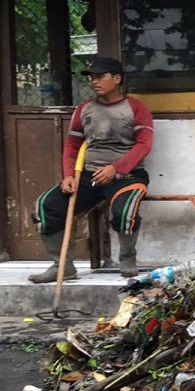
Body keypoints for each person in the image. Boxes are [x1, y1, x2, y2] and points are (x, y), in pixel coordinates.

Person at [29, 57, 154, 281]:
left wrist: (116, 168)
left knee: (125, 212)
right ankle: (63, 266)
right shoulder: (84, 109)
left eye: (100, 76)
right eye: (92, 78)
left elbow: (144, 144)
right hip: (88, 176)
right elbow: (72, 145)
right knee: (46, 205)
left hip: (128, 176)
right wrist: (68, 176)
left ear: (117, 78)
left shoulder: (136, 107)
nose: (95, 81)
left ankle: (127, 259)